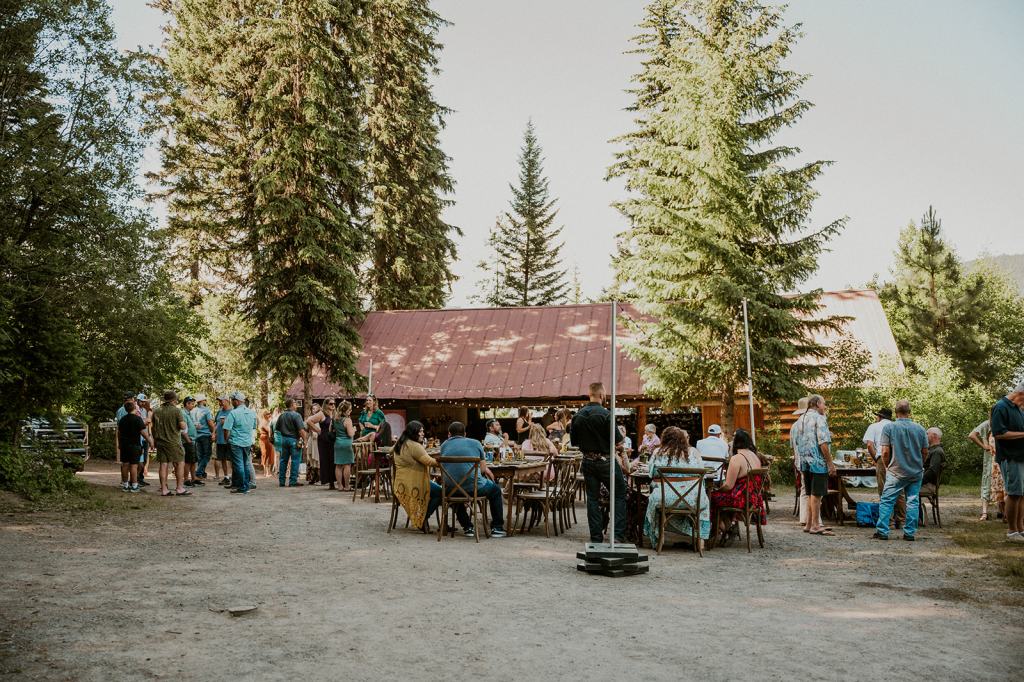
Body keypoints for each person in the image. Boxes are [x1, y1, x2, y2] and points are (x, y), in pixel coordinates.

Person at [571, 382, 625, 545]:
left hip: (587, 460)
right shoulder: (606, 414)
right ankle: (617, 535)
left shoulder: (578, 416)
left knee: (592, 499)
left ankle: (596, 537)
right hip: (606, 461)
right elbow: (618, 440)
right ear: (602, 395)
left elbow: (574, 442)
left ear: (590, 394)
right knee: (620, 494)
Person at [643, 426, 710, 549]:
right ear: (683, 439)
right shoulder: (694, 452)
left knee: (654, 497)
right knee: (704, 498)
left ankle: (660, 537)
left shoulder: (658, 452)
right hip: (694, 499)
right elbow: (703, 475)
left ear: (664, 439)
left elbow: (651, 474)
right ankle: (700, 541)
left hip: (665, 499)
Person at [439, 421, 507, 538]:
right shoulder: (475, 443)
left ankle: (468, 527)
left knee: (455, 494)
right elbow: (483, 468)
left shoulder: (444, 445)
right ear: (465, 433)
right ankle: (497, 528)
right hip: (475, 488)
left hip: (451, 489)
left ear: (449, 434)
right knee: (495, 490)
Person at [873, 400, 928, 542]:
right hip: (915, 472)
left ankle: (882, 531)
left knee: (886, 501)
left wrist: (887, 466)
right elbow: (925, 451)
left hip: (896, 471)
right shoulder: (920, 429)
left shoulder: (889, 428)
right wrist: (920, 464)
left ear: (896, 412)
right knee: (912, 502)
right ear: (909, 411)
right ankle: (909, 533)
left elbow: (885, 452)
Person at [709, 429, 768, 545]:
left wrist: (717, 490)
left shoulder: (737, 458)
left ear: (735, 443)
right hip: (753, 498)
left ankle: (722, 530)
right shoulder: (755, 456)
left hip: (740, 499)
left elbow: (728, 486)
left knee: (711, 498)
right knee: (721, 498)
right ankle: (728, 527)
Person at [792, 394, 835, 536]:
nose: (825, 406)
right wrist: (830, 464)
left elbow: (796, 443)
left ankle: (809, 524)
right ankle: (816, 525)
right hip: (817, 462)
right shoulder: (819, 418)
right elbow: (823, 443)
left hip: (804, 463)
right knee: (817, 495)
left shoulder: (800, 420)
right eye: (824, 403)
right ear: (817, 404)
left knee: (810, 493)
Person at [392, 420, 442, 530]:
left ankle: (427, 519)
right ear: (414, 432)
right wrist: (443, 460)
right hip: (413, 483)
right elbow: (429, 462)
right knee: (440, 492)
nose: (423, 433)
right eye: (421, 431)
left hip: (400, 484)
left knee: (437, 491)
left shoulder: (400, 443)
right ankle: (423, 518)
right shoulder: (414, 446)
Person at [990, 382, 1024, 543]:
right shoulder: (1001, 407)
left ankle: (1020, 529)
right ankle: (1011, 531)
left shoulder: (1018, 408)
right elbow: (999, 433)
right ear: (1021, 393)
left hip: (1021, 456)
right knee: (1014, 493)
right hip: (1010, 457)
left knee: (1022, 494)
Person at [864, 407, 902, 527]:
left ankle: (888, 521)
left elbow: (870, 445)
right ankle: (902, 520)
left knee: (884, 490)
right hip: (898, 458)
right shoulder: (897, 426)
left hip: (883, 457)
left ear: (879, 417)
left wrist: (876, 458)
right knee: (899, 489)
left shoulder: (874, 426)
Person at [151, 391, 190, 497]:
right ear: (174, 400)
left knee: (163, 465)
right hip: (173, 442)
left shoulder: (157, 411)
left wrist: (154, 440)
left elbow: (153, 428)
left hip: (160, 442)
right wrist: (185, 423)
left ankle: (164, 489)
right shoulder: (177, 411)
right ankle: (180, 488)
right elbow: (182, 426)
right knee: (179, 463)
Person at [223, 391, 257, 494]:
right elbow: (254, 427)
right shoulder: (252, 413)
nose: (231, 402)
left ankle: (242, 487)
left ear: (236, 401)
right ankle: (245, 486)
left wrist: (227, 440)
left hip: (236, 442)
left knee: (239, 465)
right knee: (246, 464)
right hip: (247, 442)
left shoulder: (233, 413)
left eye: (232, 400)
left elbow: (226, 429)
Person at [117, 400, 152, 492]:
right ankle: (134, 485)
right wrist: (151, 442)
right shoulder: (137, 419)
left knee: (125, 464)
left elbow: (119, 433)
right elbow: (143, 433)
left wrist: (119, 444)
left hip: (124, 445)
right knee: (133, 465)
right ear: (134, 408)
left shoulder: (122, 420)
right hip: (134, 445)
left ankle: (125, 485)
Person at [968, 419, 997, 520]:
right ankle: (985, 512)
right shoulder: (987, 423)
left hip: (997, 458)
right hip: (991, 458)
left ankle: (1001, 512)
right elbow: (971, 435)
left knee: (995, 482)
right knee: (988, 482)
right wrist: (984, 446)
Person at [276, 398, 308, 488]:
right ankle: (293, 481)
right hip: (294, 439)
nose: (296, 405)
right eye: (295, 403)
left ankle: (281, 481)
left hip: (284, 439)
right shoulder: (296, 415)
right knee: (295, 460)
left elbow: (277, 428)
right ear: (291, 405)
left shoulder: (281, 415)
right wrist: (305, 440)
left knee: (283, 460)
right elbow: (301, 430)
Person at [333, 400, 356, 492]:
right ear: (346, 411)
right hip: (346, 444)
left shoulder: (335, 419)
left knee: (338, 465)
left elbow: (333, 430)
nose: (350, 411)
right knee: (347, 465)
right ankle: (346, 486)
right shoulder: (347, 420)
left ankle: (339, 486)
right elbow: (350, 434)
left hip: (338, 443)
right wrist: (354, 429)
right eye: (350, 410)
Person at [192, 394, 215, 480]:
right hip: (205, 435)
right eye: (205, 400)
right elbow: (210, 422)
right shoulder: (206, 410)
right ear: (202, 401)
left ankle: (202, 472)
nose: (206, 401)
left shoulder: (193, 411)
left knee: (200, 455)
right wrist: (213, 432)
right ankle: (199, 472)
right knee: (207, 455)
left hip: (196, 435)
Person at [316, 399, 338, 489]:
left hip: (332, 439)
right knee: (326, 460)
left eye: (334, 403)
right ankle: (329, 482)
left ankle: (333, 482)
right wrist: (318, 430)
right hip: (324, 440)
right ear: (326, 404)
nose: (333, 405)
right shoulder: (322, 413)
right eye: (331, 403)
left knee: (333, 460)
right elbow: (309, 421)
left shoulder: (334, 413)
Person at [181, 396, 201, 486]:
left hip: (192, 440)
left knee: (193, 460)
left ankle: (193, 478)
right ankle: (186, 479)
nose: (193, 405)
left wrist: (195, 426)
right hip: (188, 440)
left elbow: (189, 425)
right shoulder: (183, 413)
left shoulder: (189, 413)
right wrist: (188, 440)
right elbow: (183, 428)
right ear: (187, 404)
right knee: (188, 461)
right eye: (192, 404)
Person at [213, 395, 233, 486]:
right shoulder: (219, 412)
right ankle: (226, 477)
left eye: (221, 401)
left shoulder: (233, 412)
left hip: (230, 439)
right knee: (223, 459)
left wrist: (226, 423)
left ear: (226, 401)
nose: (219, 403)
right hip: (220, 439)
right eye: (219, 401)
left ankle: (235, 477)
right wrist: (214, 433)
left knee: (232, 459)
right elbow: (216, 424)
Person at [921, 427, 944, 495]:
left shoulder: (937, 451)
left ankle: (913, 505)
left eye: (927, 434)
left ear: (934, 435)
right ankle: (916, 505)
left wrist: (918, 482)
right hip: (925, 483)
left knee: (900, 491)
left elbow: (932, 471)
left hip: (928, 485)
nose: (925, 436)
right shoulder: (932, 450)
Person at [305, 403, 323, 484]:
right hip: (312, 439)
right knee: (311, 459)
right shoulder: (310, 418)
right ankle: (312, 477)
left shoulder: (321, 417)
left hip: (318, 440)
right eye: (312, 408)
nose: (314, 410)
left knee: (318, 458)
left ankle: (319, 478)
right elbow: (307, 430)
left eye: (315, 408)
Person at [258, 409, 275, 477]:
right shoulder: (263, 422)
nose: (269, 415)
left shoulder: (268, 421)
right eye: (268, 414)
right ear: (264, 415)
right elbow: (269, 430)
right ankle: (266, 472)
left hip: (268, 439)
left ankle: (269, 471)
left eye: (269, 413)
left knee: (270, 454)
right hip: (264, 439)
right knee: (265, 454)